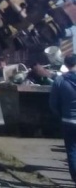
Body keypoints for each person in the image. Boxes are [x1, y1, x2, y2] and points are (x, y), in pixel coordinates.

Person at [50, 54, 76, 184]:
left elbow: (53, 103)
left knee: (71, 150)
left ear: (65, 65)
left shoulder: (59, 80)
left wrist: (61, 115)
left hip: (68, 120)